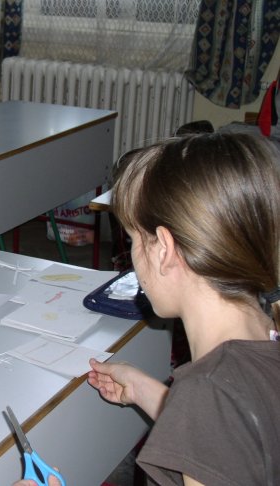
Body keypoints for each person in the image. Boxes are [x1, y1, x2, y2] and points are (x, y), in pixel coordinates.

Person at [16, 132, 280, 486]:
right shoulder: (265, 334)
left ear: (164, 250)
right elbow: (238, 436)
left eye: (133, 239)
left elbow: (217, 417)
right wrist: (151, 393)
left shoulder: (208, 392)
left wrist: (189, 401)